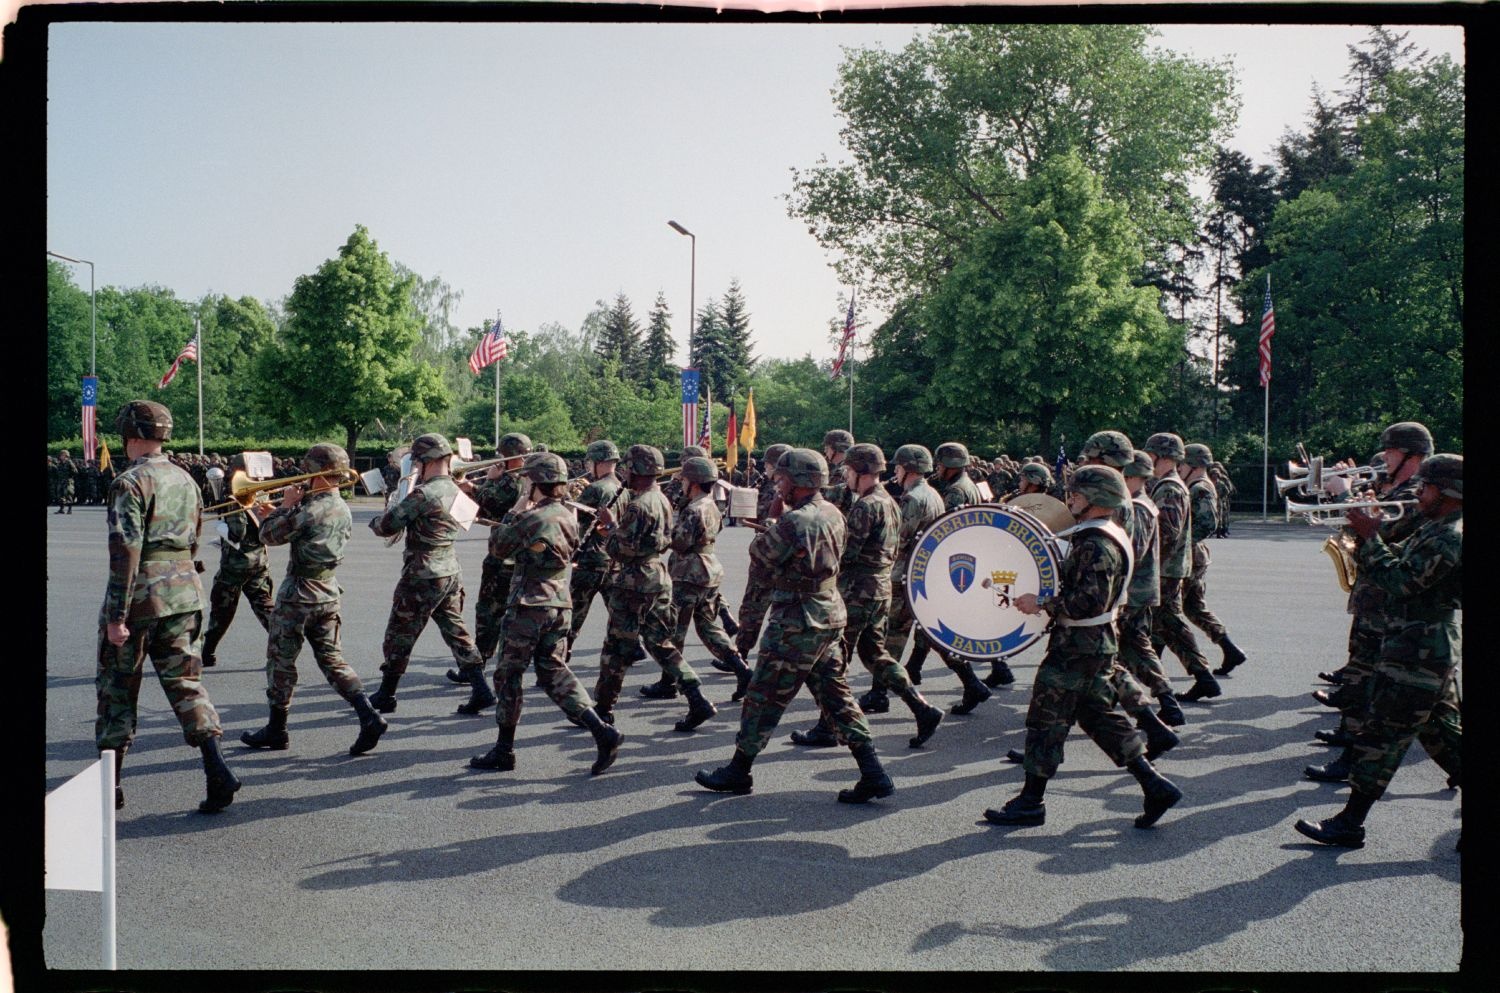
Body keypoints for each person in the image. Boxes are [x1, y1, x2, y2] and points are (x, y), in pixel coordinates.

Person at [983, 465, 1182, 829]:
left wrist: (1042, 603)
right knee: (1098, 718)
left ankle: (1031, 802)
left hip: (1078, 646)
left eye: (1077, 492)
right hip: (1091, 644)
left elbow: (1090, 601)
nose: (1070, 497)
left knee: (1045, 721)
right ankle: (1155, 786)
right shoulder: (1106, 533)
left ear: (1097, 498)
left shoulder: (1095, 543)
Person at [695, 449, 895, 803]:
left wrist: (772, 527)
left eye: (782, 478)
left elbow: (762, 556)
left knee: (763, 695)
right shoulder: (834, 513)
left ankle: (739, 770)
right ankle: (873, 771)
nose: (777, 484)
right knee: (836, 696)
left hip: (796, 619)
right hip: (829, 611)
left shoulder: (793, 521)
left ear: (800, 482)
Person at [1294, 453, 1462, 848]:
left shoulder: (1449, 536)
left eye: (1427, 487)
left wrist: (1370, 538)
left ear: (1450, 492)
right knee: (1445, 739)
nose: (1419, 493)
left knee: (1382, 736)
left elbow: (1402, 580)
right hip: (1416, 646)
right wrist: (1373, 528)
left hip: (1420, 652)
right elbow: (1396, 555)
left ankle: (1350, 823)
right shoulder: (1436, 525)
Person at [96, 401, 239, 813]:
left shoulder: (129, 483)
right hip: (184, 594)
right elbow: (194, 540)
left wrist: (117, 617)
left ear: (131, 435)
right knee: (186, 684)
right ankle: (217, 770)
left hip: (142, 597)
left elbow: (125, 552)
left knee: (117, 690)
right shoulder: (186, 479)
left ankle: (110, 789)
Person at [468, 453, 623, 775]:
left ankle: (504, 749)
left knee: (508, 675)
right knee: (553, 671)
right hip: (558, 601)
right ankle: (601, 730)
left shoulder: (533, 516)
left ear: (535, 482)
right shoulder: (567, 514)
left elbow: (498, 547)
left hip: (529, 604)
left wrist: (516, 507)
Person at [1306, 421, 1435, 782]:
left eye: (1390, 451)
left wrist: (1345, 496)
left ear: (1411, 455)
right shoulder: (1391, 487)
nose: (1384, 457)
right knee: (1360, 674)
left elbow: (1380, 531)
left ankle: (1355, 760)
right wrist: (1353, 491)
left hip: (1391, 605)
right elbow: (1353, 533)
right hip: (1371, 599)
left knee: (1376, 688)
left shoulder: (1416, 493)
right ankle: (1350, 735)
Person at [792, 443, 943, 749]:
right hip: (881, 588)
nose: (845, 475)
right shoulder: (888, 501)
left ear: (860, 472)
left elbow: (847, 554)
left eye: (848, 470)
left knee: (833, 660)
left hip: (858, 590)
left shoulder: (866, 506)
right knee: (876, 655)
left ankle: (828, 727)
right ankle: (922, 708)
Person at [239, 444, 387, 756]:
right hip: (328, 592)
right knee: (332, 659)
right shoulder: (340, 507)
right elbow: (300, 529)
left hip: (299, 595)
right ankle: (368, 715)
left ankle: (277, 729)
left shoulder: (309, 508)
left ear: (316, 471)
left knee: (281, 662)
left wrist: (281, 508)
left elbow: (268, 536)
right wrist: (285, 510)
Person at [591, 444, 717, 732]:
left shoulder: (637, 505)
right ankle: (696, 697)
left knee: (616, 646)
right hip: (658, 575)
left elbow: (621, 549)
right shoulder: (660, 498)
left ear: (635, 470)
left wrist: (609, 528)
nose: (623, 471)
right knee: (660, 642)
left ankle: (603, 708)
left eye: (627, 467)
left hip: (635, 580)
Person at [366, 433, 489, 714]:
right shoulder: (458, 490)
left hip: (423, 572)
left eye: (417, 461)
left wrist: (380, 515)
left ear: (424, 461)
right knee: (457, 631)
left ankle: (386, 694)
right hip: (449, 569)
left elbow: (387, 525)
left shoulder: (424, 493)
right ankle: (481, 688)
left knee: (399, 633)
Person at [905, 440, 999, 710]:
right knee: (929, 627)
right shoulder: (972, 485)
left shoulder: (956, 492)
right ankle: (915, 669)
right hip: (968, 559)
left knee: (933, 627)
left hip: (954, 564)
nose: (937, 469)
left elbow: (944, 531)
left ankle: (972, 684)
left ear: (948, 466)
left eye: (940, 465)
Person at [453, 432, 533, 710]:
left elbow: (488, 504)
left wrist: (483, 482)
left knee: (489, 610)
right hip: (514, 553)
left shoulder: (512, 482)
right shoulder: (527, 480)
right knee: (507, 611)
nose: (497, 459)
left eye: (501, 454)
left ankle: (478, 664)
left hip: (503, 556)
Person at [665, 456, 753, 699]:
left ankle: (668, 682)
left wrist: (662, 534)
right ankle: (742, 670)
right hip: (708, 570)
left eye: (683, 479)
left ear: (692, 482)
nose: (681, 483)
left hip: (688, 573)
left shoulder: (693, 509)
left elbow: (680, 542)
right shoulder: (711, 504)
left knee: (674, 630)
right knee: (709, 628)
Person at [1143, 432, 1221, 703]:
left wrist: (1147, 560)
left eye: (1151, 454)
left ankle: (1201, 678)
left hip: (1165, 568)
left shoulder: (1169, 488)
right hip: (1169, 567)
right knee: (1166, 625)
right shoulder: (1170, 484)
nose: (1148, 459)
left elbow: (1167, 531)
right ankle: (1200, 677)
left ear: (1163, 456)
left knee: (1170, 623)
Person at [199, 454, 276, 669]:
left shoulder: (236, 495)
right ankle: (281, 649)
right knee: (265, 606)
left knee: (222, 611)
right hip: (259, 559)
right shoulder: (262, 492)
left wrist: (220, 528)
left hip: (235, 564)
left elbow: (237, 533)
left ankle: (208, 653)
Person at [1179, 444, 1249, 675]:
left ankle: (1160, 666)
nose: (1179, 468)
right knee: (1194, 609)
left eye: (1183, 464)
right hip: (1194, 555)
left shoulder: (1200, 488)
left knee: (1166, 613)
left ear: (1194, 465)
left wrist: (1182, 543)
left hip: (1189, 556)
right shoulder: (1199, 485)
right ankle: (1230, 650)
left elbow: (1209, 523)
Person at [883, 444, 946, 686]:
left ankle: (881, 689)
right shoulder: (933, 495)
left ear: (908, 469)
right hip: (923, 572)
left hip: (904, 573)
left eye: (897, 467)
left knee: (893, 635)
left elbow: (899, 538)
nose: (895, 472)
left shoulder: (913, 498)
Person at [733, 443, 791, 662]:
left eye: (767, 464)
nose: (764, 468)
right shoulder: (780, 486)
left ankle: (742, 654)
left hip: (768, 555)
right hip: (779, 555)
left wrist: (747, 514)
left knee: (753, 606)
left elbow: (768, 520)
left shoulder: (778, 490)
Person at [566, 439, 624, 653]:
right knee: (617, 610)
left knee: (574, 611)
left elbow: (575, 521)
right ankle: (633, 645)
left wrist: (568, 499)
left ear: (599, 462)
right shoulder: (622, 487)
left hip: (590, 558)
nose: (588, 467)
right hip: (613, 557)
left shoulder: (596, 489)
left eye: (590, 462)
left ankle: (561, 652)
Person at [821, 429, 856, 517]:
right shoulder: (853, 468)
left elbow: (828, 502)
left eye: (827, 448)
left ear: (834, 449)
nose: (825, 452)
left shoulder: (842, 473)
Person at [52, 449, 78, 514]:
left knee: (68, 495)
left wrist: (70, 476)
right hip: (61, 481)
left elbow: (75, 472)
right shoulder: (60, 463)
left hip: (68, 481)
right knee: (60, 495)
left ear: (66, 455)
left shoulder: (69, 462)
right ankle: (61, 509)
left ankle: (69, 509)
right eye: (61, 455)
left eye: (62, 455)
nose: (61, 456)